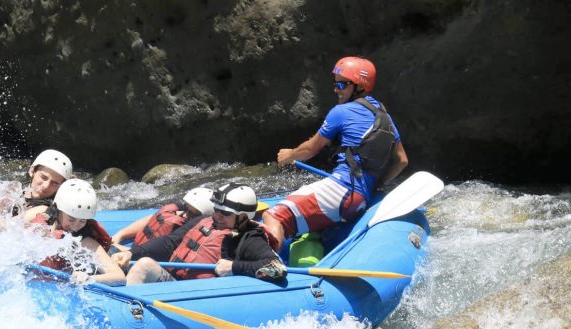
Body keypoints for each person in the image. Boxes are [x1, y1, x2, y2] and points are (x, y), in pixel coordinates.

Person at [262, 56, 409, 247]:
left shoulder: (341, 112)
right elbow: (402, 161)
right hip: (361, 198)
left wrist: (288, 155)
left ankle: (265, 264)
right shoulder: (385, 117)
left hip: (342, 191)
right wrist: (377, 184)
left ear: (359, 86)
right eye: (335, 84)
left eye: (341, 85)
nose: (335, 90)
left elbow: (310, 149)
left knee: (273, 216)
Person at [111, 183, 285, 285]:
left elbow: (277, 268)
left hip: (194, 292)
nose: (216, 215)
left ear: (243, 217)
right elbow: (169, 243)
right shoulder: (205, 221)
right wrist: (129, 253)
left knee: (145, 266)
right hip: (174, 281)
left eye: (224, 213)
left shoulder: (248, 238)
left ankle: (129, 313)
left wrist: (233, 267)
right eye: (216, 209)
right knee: (114, 252)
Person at [29, 179, 126, 286]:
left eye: (82, 221)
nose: (75, 226)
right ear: (59, 210)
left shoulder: (85, 241)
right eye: (71, 219)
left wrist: (89, 278)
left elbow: (119, 277)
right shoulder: (42, 219)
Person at [110, 187, 215, 251]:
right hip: (136, 250)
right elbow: (152, 219)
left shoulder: (186, 234)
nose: (185, 214)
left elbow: (159, 251)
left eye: (192, 213)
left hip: (144, 258)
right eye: (186, 208)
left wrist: (122, 250)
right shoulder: (180, 214)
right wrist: (121, 234)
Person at [6, 149, 73, 221]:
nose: (46, 186)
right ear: (32, 171)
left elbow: (7, 227)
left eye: (54, 183)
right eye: (44, 178)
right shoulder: (12, 192)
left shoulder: (46, 210)